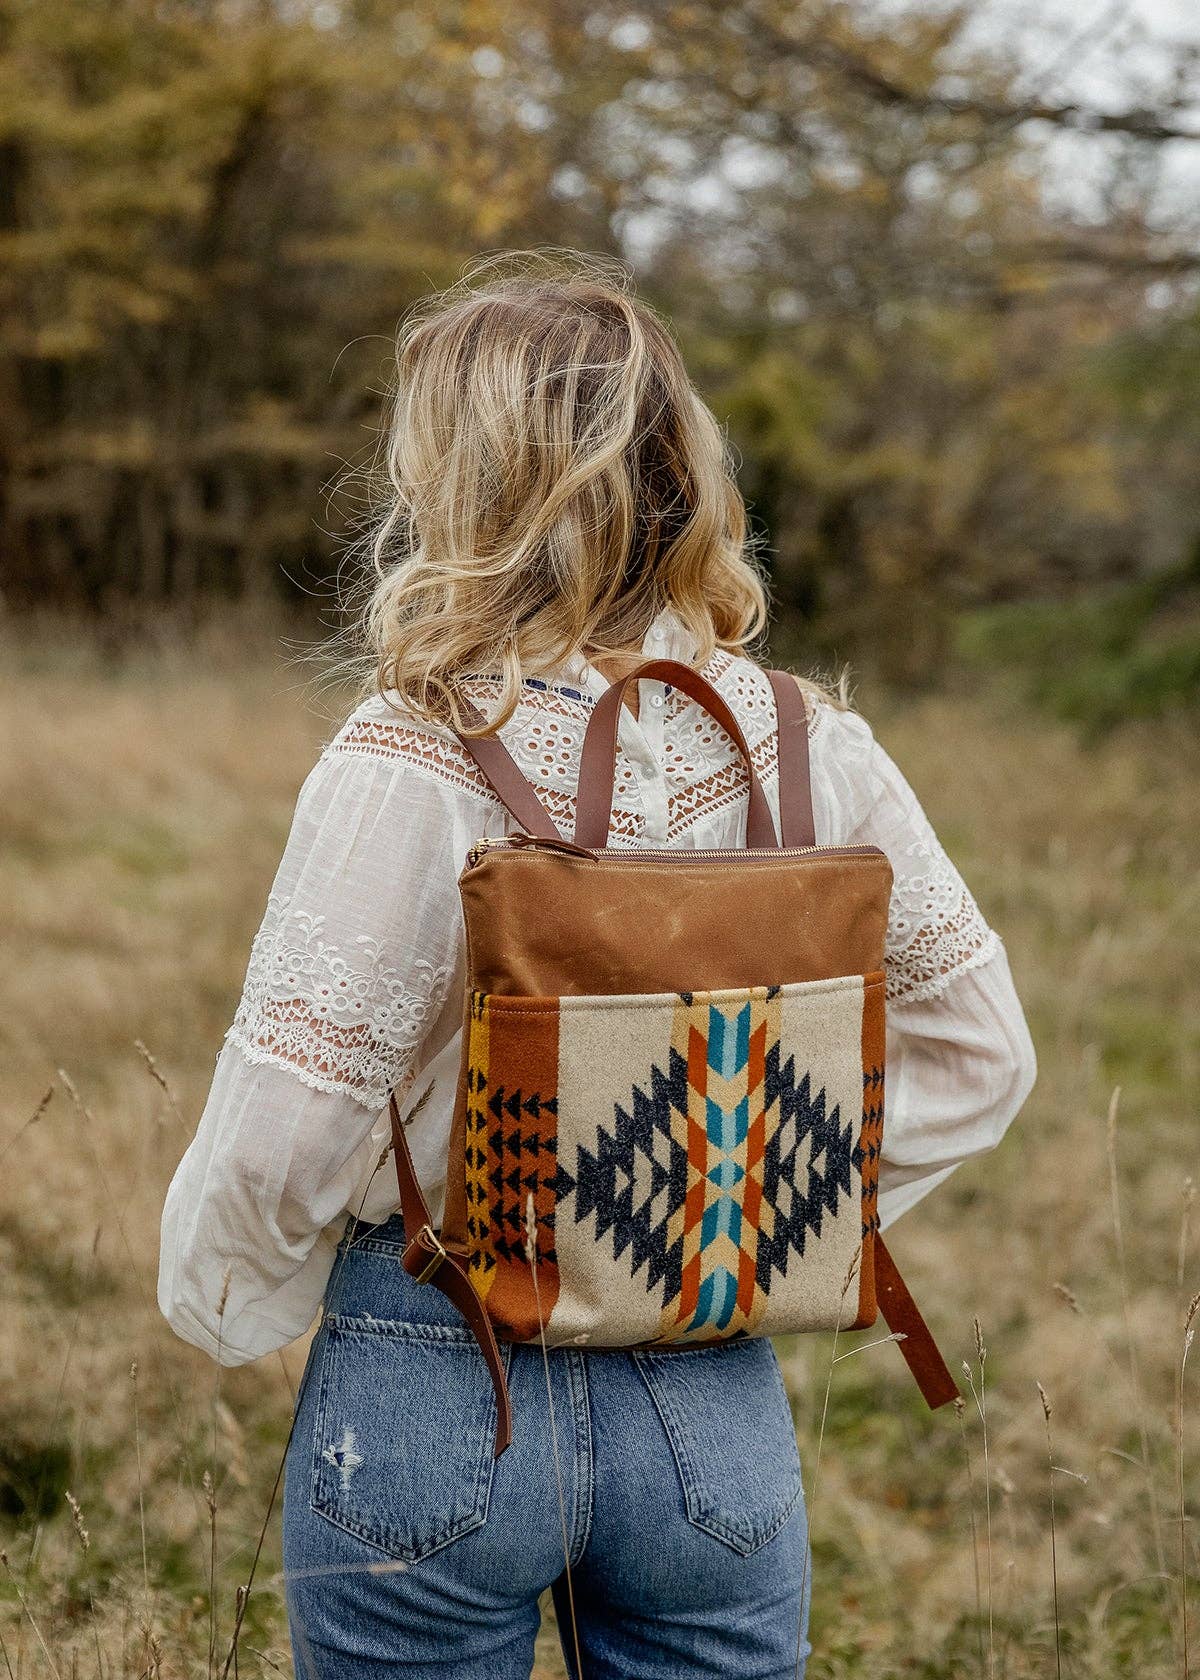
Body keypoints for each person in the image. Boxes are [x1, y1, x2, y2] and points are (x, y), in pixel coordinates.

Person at [159, 252, 1036, 1679]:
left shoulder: (410, 754)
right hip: (714, 1387)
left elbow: (289, 1128)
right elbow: (985, 1055)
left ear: (467, 482)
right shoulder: (811, 746)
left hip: (437, 1367)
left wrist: (226, 1305)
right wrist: (749, 1199)